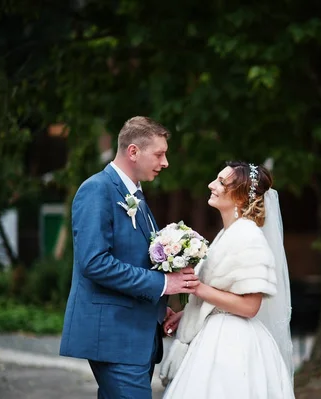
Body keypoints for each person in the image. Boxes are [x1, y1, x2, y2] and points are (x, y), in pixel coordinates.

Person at [60, 116, 200, 399]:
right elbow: (94, 263)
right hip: (114, 336)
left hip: (137, 333)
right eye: (159, 154)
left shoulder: (136, 195)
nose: (165, 163)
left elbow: (135, 258)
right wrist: (163, 284)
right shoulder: (97, 189)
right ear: (133, 151)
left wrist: (158, 311)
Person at [159, 161, 295, 399]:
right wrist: (189, 313)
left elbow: (250, 306)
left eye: (221, 182)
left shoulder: (249, 237)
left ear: (241, 197)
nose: (212, 185)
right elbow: (223, 294)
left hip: (232, 344)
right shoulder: (228, 234)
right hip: (213, 333)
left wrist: (198, 288)